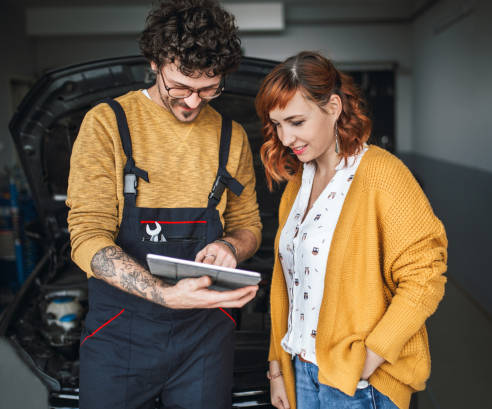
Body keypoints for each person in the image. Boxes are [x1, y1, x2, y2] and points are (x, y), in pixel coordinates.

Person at [66, 1, 262, 407]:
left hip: (206, 335)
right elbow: (87, 238)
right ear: (154, 62)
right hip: (120, 334)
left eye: (209, 89)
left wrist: (230, 247)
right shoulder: (106, 123)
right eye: (181, 86)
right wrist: (164, 294)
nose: (192, 103)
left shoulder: (233, 135)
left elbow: (249, 225)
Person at [254, 51, 448, 409]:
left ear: (333, 107)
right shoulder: (298, 182)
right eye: (277, 124)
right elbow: (287, 284)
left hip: (361, 383)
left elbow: (426, 277)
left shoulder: (382, 173)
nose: (285, 137)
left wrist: (371, 356)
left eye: (296, 121)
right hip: (301, 371)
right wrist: (277, 370)